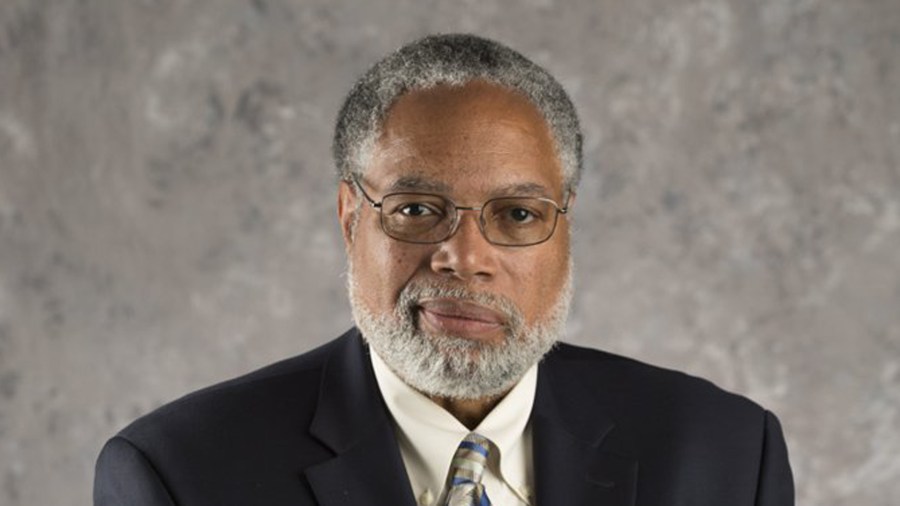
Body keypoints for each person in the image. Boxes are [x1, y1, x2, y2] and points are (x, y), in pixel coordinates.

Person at [94, 34, 794, 506]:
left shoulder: (726, 456)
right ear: (349, 217)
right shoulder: (181, 475)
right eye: (418, 209)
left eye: (518, 215)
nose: (465, 256)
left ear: (564, 225)